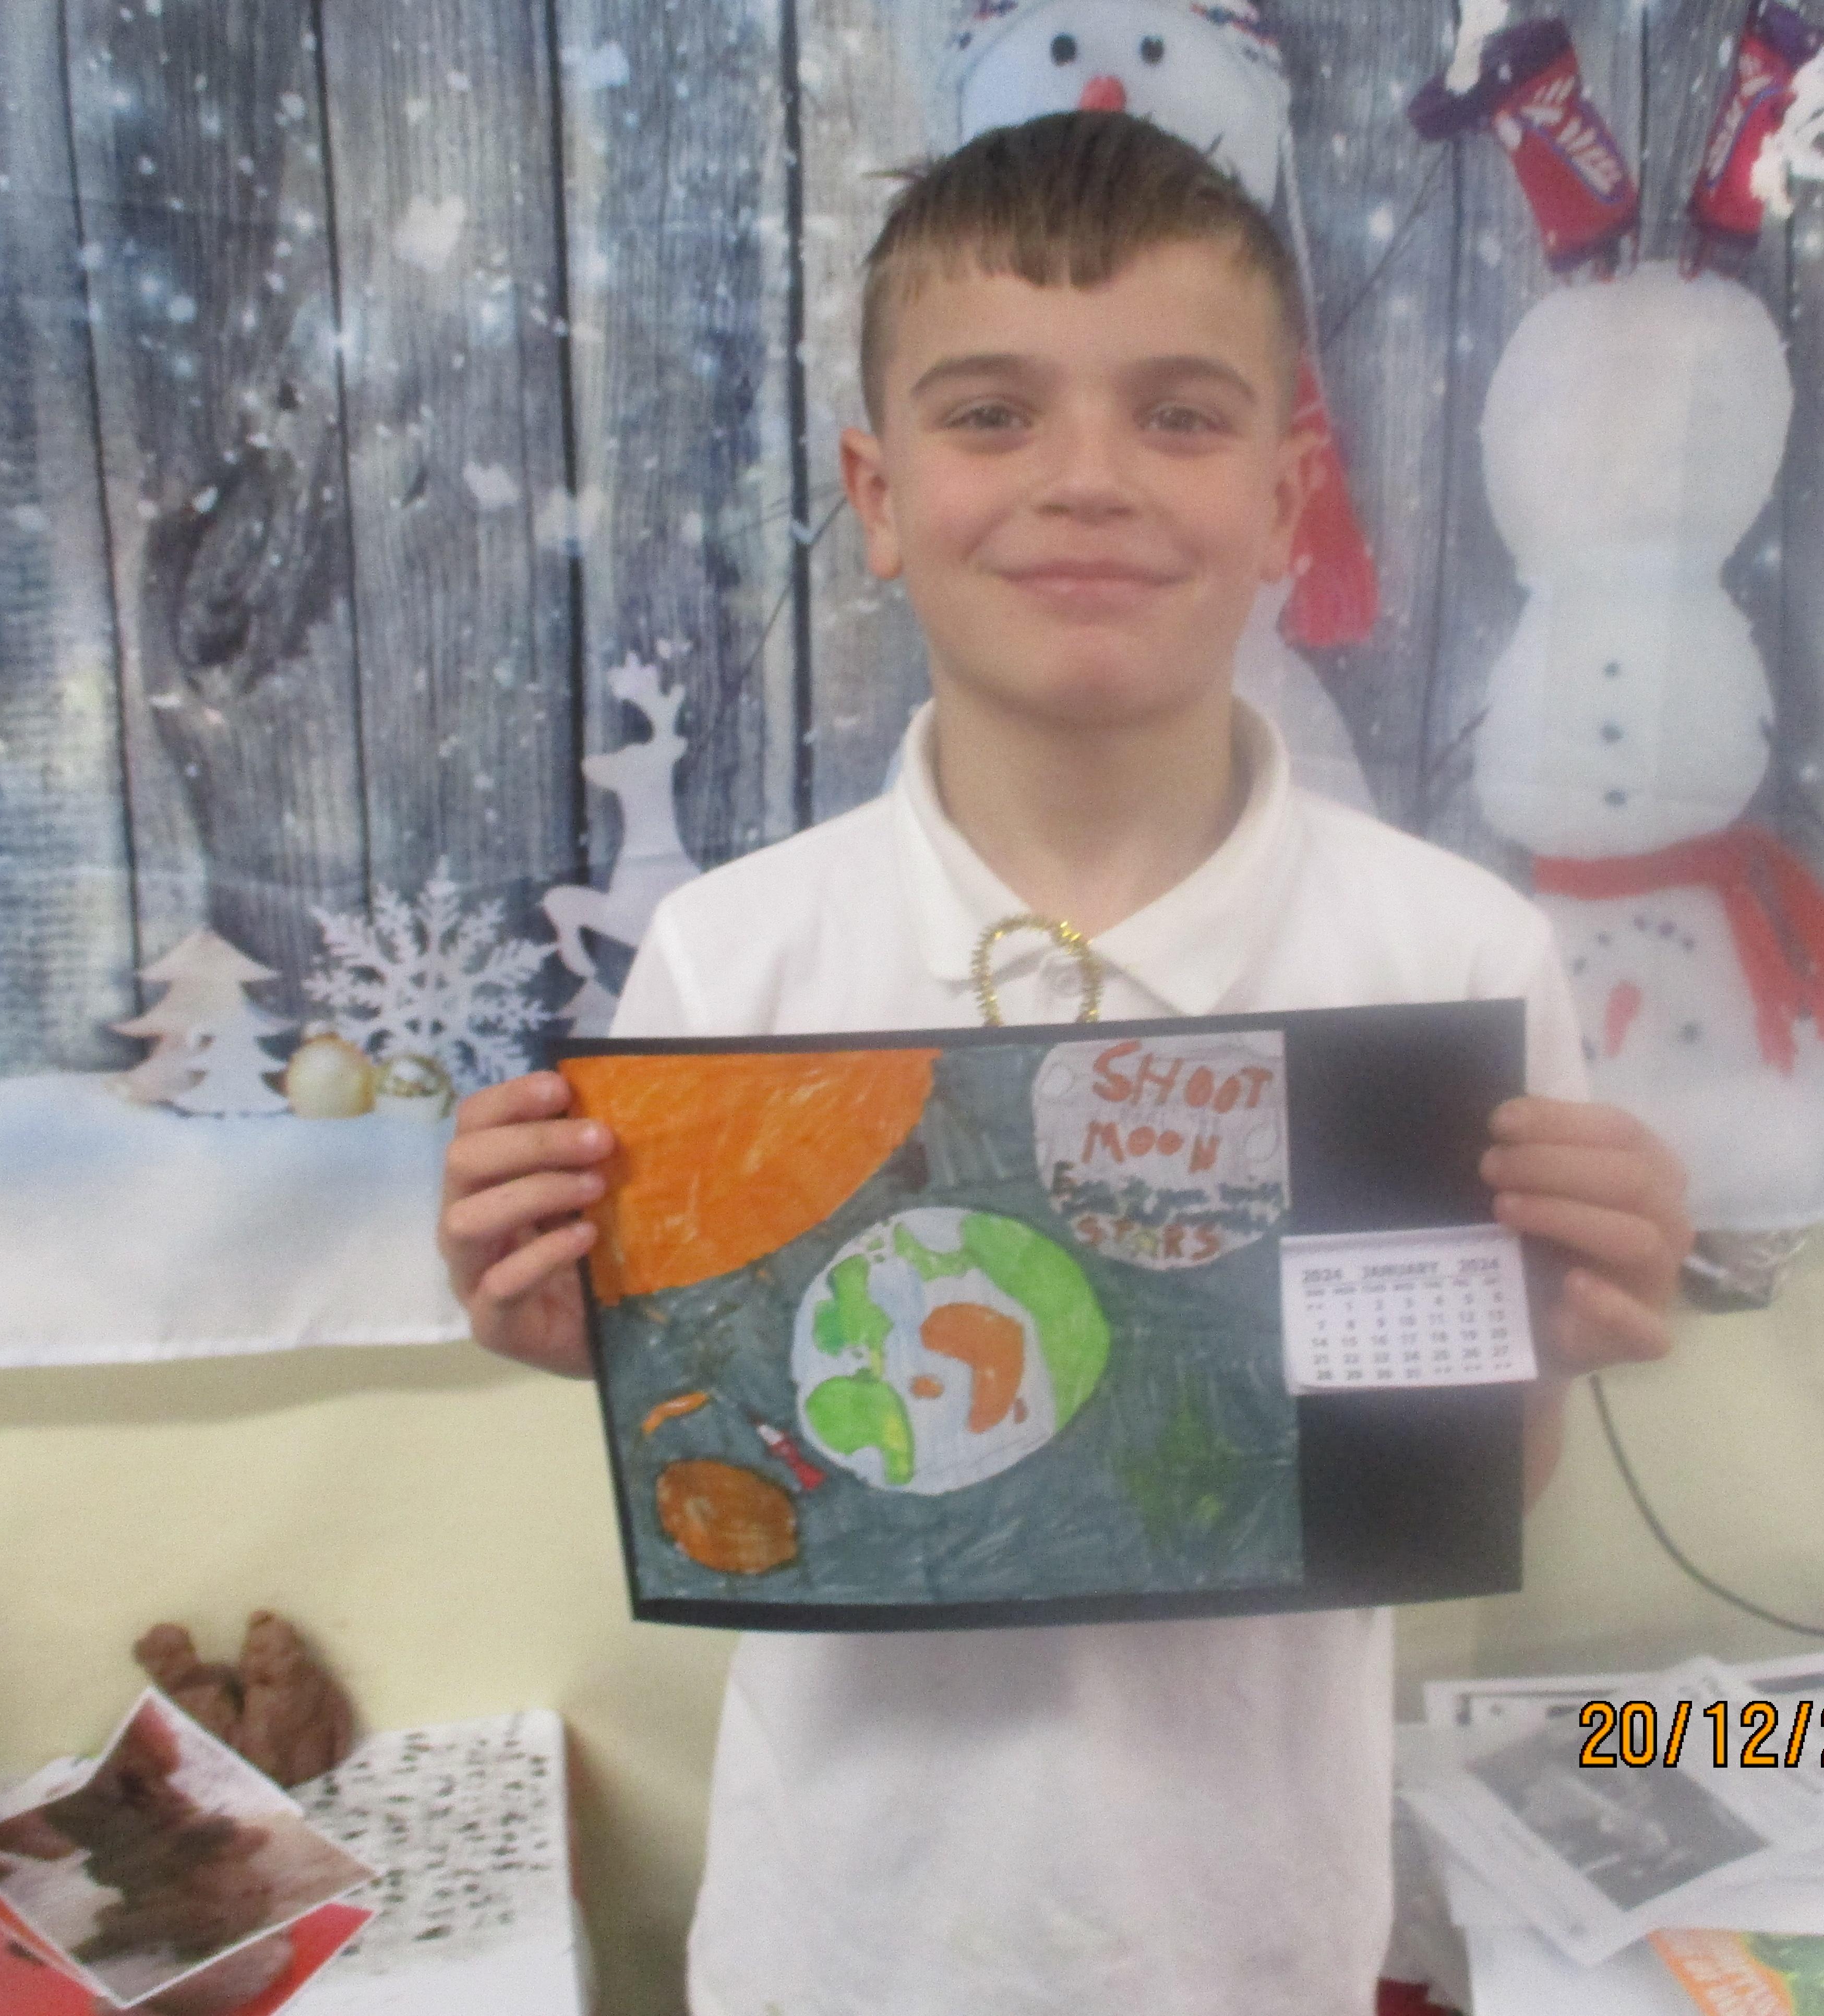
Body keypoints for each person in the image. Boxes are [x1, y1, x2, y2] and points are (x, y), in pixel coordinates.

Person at [438, 111, 1690, 2016]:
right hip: (834, 1954)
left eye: (1179, 415)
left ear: (1286, 502)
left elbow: (1466, 1478)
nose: (1088, 479)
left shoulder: (1450, 959)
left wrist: (1558, 1335)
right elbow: (727, 1448)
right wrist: (585, 1334)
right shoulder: (735, 959)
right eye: (992, 414)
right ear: (877, 496)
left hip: (1252, 1951)